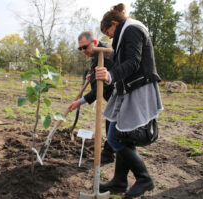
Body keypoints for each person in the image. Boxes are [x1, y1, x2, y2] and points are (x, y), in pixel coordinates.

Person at [95, 3, 163, 198]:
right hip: (129, 88)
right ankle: (119, 181)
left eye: (108, 32)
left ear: (114, 23)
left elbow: (133, 62)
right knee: (121, 134)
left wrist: (110, 75)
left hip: (139, 87)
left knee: (116, 136)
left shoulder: (132, 29)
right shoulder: (126, 32)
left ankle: (144, 179)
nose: (109, 37)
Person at [68, 31, 115, 164]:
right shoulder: (98, 53)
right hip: (114, 99)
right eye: (80, 48)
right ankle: (109, 153)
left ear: (94, 43)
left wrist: (80, 102)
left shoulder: (105, 55)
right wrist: (92, 75)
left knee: (113, 125)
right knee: (111, 122)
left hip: (120, 97)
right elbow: (98, 71)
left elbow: (100, 89)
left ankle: (109, 154)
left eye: (85, 47)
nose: (83, 50)